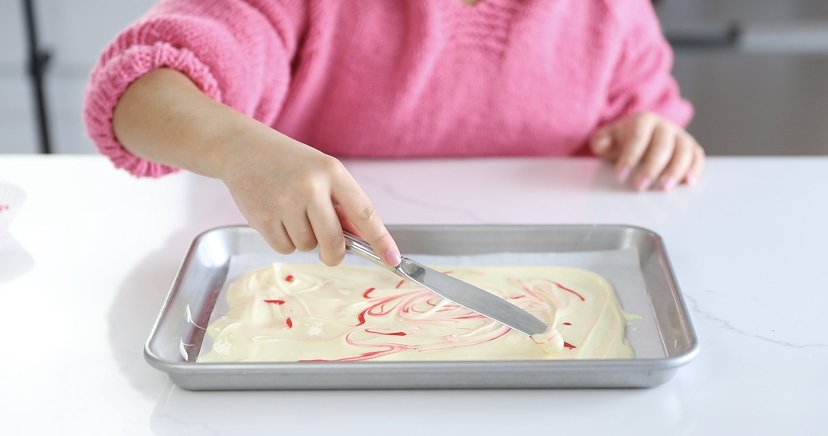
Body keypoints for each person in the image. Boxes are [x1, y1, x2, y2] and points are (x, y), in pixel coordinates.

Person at [83, 0, 704, 268]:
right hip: (310, 281)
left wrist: (650, 137)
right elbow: (136, 93)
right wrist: (234, 145)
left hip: (545, 285)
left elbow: (648, 125)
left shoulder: (612, 13)